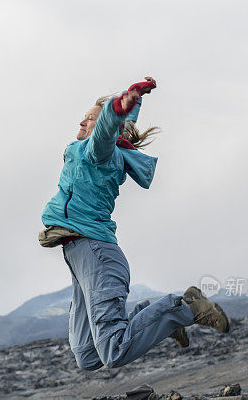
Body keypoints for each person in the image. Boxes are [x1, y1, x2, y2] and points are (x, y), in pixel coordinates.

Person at [39, 77, 229, 371]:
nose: (82, 121)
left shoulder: (97, 153)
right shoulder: (94, 150)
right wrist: (133, 101)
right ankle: (156, 317)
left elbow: (105, 132)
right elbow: (114, 127)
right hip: (79, 257)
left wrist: (116, 110)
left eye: (90, 119)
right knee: (88, 356)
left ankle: (183, 309)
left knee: (114, 351)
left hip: (96, 254)